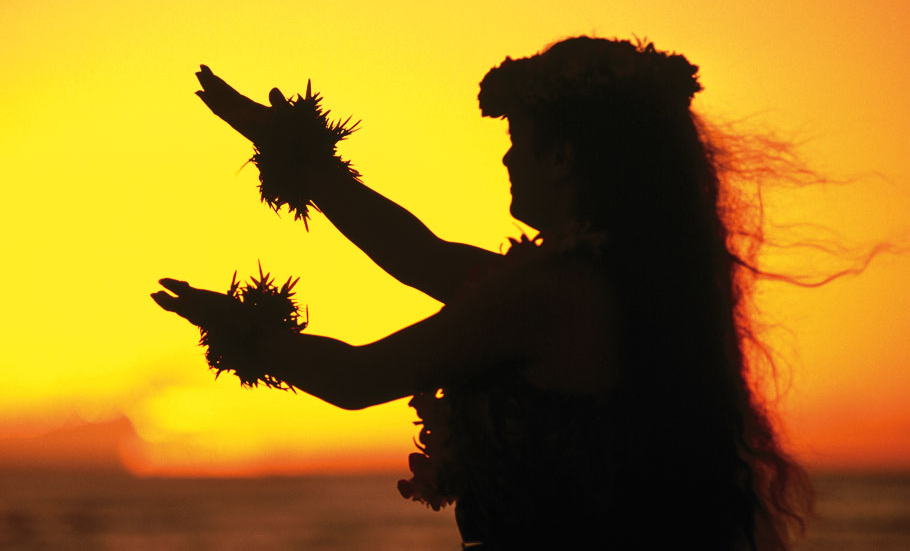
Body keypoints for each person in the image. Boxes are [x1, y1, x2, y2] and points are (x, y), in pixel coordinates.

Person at [152, 37, 812, 550]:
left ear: (563, 156)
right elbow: (420, 256)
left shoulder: (549, 293)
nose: (505, 160)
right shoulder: (608, 284)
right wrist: (296, 157)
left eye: (516, 139)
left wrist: (233, 326)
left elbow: (359, 377)